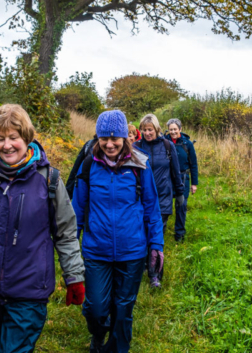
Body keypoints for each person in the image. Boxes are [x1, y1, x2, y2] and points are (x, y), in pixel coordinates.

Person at [0, 104, 85, 353]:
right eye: (0, 139)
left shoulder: (50, 180)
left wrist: (74, 276)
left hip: (29, 293)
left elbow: (66, 234)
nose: (7, 145)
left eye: (13, 137)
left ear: (26, 138)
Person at [72, 110, 164, 353]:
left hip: (132, 250)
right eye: (104, 138)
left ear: (125, 137)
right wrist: (71, 244)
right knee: (96, 308)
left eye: (115, 138)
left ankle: (117, 348)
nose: (109, 144)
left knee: (123, 308)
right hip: (96, 249)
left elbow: (151, 208)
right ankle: (98, 333)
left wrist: (156, 245)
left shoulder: (139, 165)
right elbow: (78, 208)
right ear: (98, 137)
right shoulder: (88, 164)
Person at [135, 114, 184, 287]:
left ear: (156, 129)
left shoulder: (168, 146)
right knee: (141, 235)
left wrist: (179, 195)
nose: (147, 133)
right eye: (144, 129)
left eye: (150, 129)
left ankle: (154, 274)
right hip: (140, 200)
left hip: (162, 199)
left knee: (157, 236)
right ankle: (142, 265)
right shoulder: (136, 147)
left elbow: (175, 172)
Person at [164, 118, 199, 242]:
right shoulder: (164, 141)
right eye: (170, 129)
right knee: (164, 205)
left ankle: (179, 234)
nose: (173, 132)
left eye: (175, 129)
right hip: (167, 177)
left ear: (180, 129)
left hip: (183, 177)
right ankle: (161, 230)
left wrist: (194, 183)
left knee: (181, 205)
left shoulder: (187, 143)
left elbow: (193, 164)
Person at [66, 134, 97, 199]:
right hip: (87, 194)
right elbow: (76, 170)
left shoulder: (89, 144)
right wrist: (68, 194)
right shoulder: (89, 145)